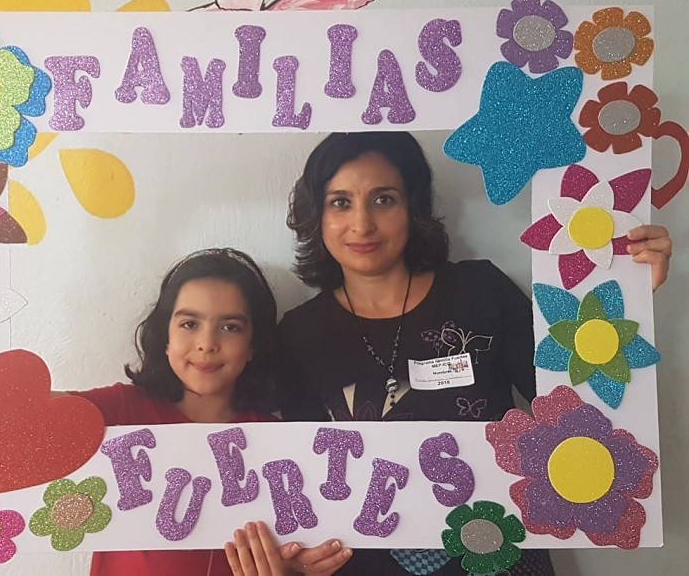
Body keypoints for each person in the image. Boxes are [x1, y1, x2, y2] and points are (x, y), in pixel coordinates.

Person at [276, 131, 672, 576]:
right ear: (317, 215)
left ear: (413, 206)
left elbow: (577, 406)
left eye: (383, 199)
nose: (362, 224)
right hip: (363, 563)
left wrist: (623, 306)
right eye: (340, 202)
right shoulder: (298, 333)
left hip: (501, 554)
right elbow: (298, 475)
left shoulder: (480, 290)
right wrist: (296, 552)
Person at [0, 239, 351, 576]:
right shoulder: (118, 411)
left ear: (254, 344)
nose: (207, 343)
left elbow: (298, 551)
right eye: (189, 323)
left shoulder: (279, 444)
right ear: (164, 337)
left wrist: (294, 569)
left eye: (230, 327)